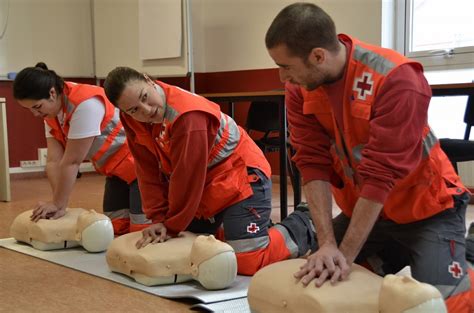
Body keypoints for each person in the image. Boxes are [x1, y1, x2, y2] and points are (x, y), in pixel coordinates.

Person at [265, 2, 473, 311]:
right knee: (320, 284)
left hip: (426, 212)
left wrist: (344, 256)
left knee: (444, 306)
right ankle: (394, 256)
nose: (283, 77)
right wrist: (327, 245)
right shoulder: (301, 87)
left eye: (286, 66)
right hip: (368, 214)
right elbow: (311, 162)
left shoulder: (396, 78)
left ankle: (465, 254)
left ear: (318, 56)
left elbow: (380, 175)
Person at [103, 66, 316, 275]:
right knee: (193, 242)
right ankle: (250, 226)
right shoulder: (132, 119)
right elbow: (146, 169)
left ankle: (305, 222)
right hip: (208, 184)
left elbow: (186, 179)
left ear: (149, 80)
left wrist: (171, 226)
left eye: (145, 97)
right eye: (134, 109)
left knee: (247, 261)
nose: (146, 110)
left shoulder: (188, 115)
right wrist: (158, 218)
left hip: (241, 176)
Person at [13, 63, 150, 235]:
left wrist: (57, 204)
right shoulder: (51, 114)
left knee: (142, 230)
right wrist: (59, 204)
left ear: (52, 93)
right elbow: (54, 161)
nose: (35, 114)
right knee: (115, 228)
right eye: (30, 110)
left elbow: (72, 162)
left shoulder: (85, 103)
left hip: (143, 171)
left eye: (37, 107)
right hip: (117, 175)